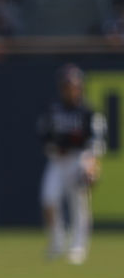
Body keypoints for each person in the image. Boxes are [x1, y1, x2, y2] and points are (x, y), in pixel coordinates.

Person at [37, 63, 106, 264]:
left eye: (73, 85)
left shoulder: (88, 112)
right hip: (58, 161)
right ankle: (57, 241)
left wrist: (91, 163)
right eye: (66, 86)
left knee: (78, 203)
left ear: (80, 87)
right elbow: (43, 135)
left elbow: (96, 140)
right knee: (49, 199)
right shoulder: (53, 110)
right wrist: (53, 148)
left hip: (79, 159)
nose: (70, 90)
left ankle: (78, 246)